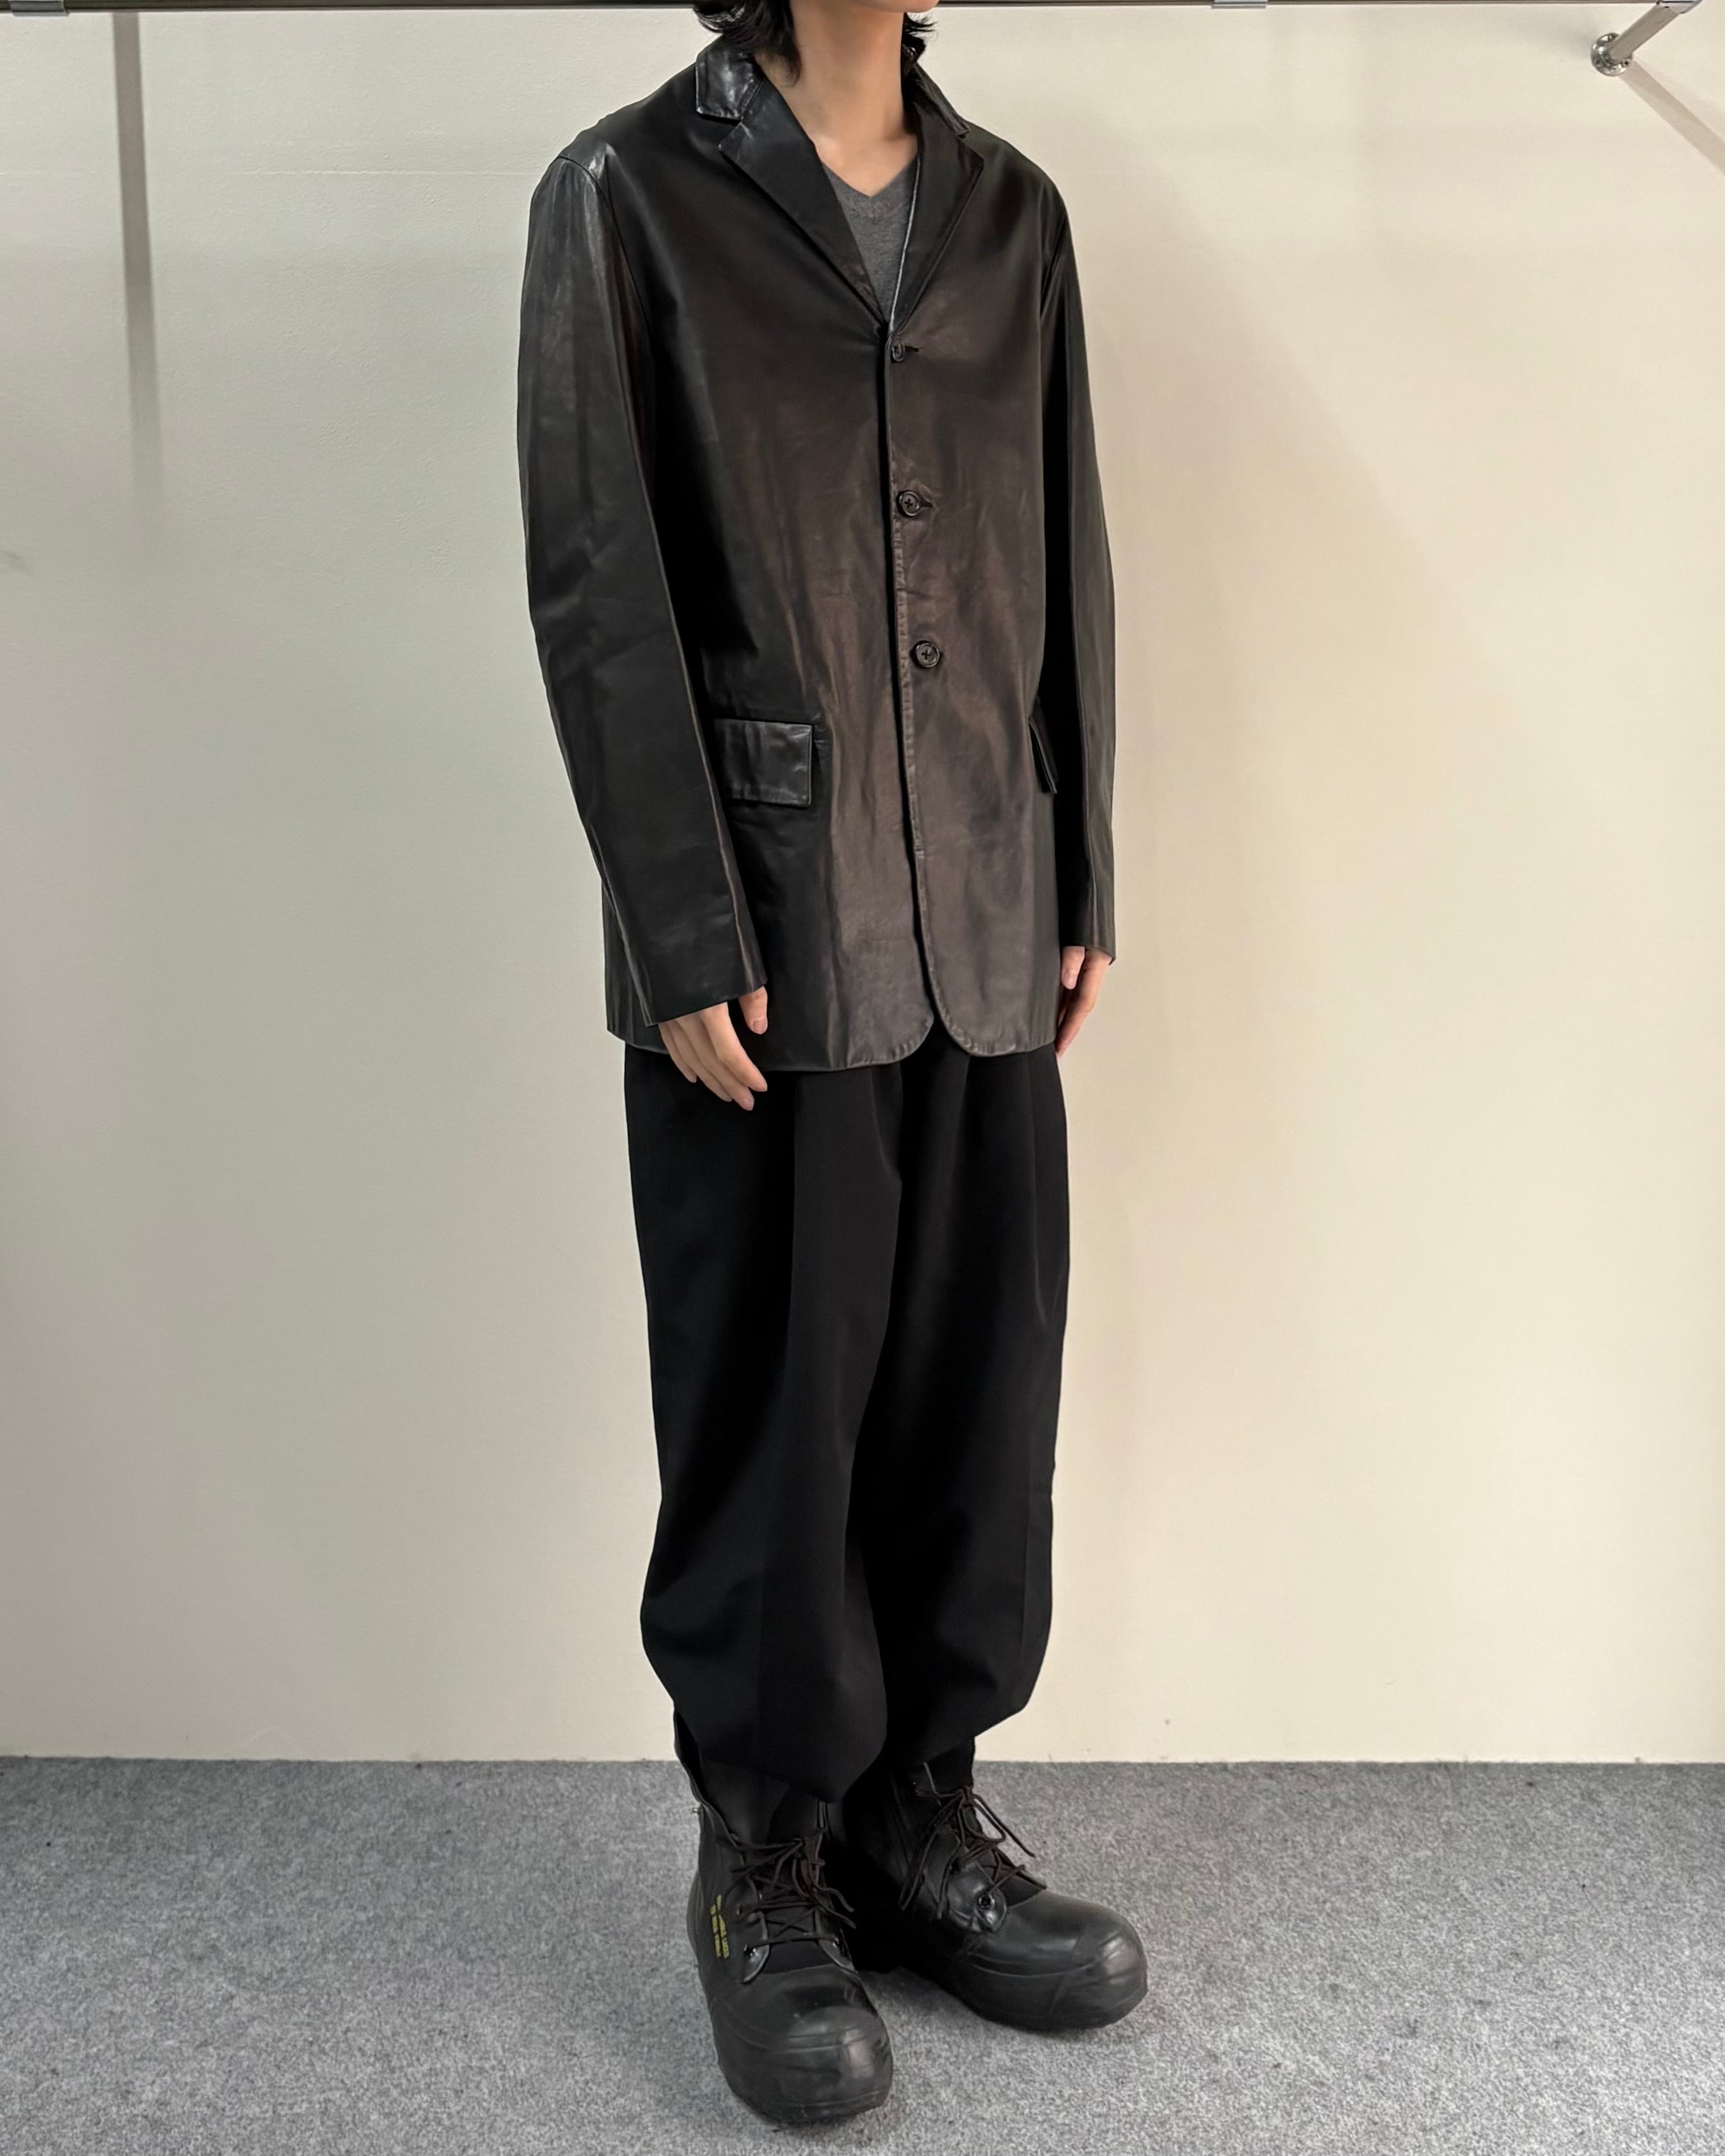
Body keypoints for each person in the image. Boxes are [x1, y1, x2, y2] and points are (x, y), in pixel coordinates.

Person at [517, 0, 1144, 2124]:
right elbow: (599, 580)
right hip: (770, 935)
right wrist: (678, 921)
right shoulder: (626, 197)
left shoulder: (1014, 215)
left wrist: (1080, 857)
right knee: (776, 1405)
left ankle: (916, 1820)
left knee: (980, 1384)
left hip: (986, 894)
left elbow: (1066, 539)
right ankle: (763, 1859)